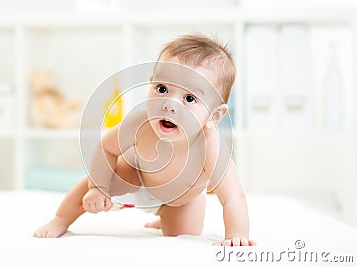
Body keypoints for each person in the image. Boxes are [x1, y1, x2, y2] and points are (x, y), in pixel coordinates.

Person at [34, 33, 255, 246]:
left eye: (189, 98)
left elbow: (233, 196)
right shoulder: (140, 122)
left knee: (183, 234)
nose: (170, 104)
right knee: (98, 181)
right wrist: (98, 188)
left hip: (181, 200)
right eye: (162, 89)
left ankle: (164, 215)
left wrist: (236, 234)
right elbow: (107, 147)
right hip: (136, 174)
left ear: (214, 115)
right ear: (150, 84)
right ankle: (61, 219)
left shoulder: (210, 147)